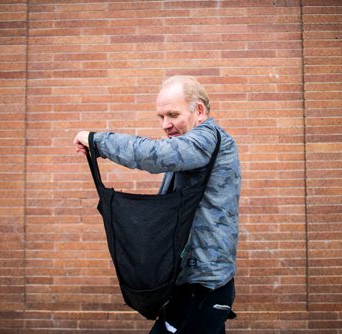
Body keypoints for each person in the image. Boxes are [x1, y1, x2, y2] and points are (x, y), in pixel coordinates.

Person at [74, 75, 241, 334]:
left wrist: (97, 141)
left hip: (203, 285)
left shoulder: (205, 139)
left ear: (199, 111)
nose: (166, 124)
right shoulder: (192, 145)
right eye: (161, 117)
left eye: (173, 114)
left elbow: (157, 155)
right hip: (193, 282)